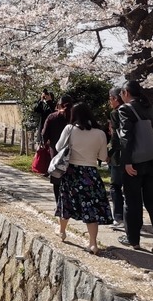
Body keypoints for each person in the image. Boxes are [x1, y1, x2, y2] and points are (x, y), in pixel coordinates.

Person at [117, 80, 153, 255]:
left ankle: (133, 240)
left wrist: (126, 162)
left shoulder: (125, 109)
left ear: (126, 93)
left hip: (136, 162)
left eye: (121, 94)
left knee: (132, 201)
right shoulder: (151, 109)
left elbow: (126, 137)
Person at [54, 102, 113, 254]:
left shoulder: (70, 129)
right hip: (90, 173)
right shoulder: (100, 133)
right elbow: (103, 157)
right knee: (90, 206)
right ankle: (93, 243)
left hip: (72, 172)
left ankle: (62, 231)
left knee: (65, 201)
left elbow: (58, 147)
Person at [41, 95, 73, 205]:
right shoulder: (75, 118)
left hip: (56, 153)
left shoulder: (52, 117)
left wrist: (44, 142)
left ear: (58, 105)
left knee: (57, 180)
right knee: (70, 180)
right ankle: (70, 204)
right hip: (73, 153)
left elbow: (44, 134)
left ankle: (59, 204)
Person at [107, 88, 125, 229]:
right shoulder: (131, 110)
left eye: (110, 98)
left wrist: (108, 153)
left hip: (118, 156)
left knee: (115, 186)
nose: (110, 102)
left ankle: (118, 217)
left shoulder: (116, 113)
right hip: (135, 155)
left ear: (115, 98)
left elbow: (115, 137)